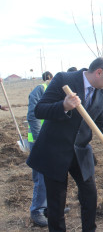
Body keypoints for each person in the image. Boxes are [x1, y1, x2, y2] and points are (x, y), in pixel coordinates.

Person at [26, 57, 103, 231]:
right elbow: (39, 110)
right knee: (56, 203)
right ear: (99, 72)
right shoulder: (64, 79)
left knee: (90, 196)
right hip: (55, 150)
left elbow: (101, 122)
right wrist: (63, 105)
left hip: (81, 150)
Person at [27, 71, 59, 226]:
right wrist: (41, 140)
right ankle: (37, 211)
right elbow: (33, 116)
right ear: (50, 78)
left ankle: (49, 208)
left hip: (50, 139)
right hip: (39, 140)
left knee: (48, 175)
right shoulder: (40, 89)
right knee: (42, 175)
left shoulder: (54, 90)